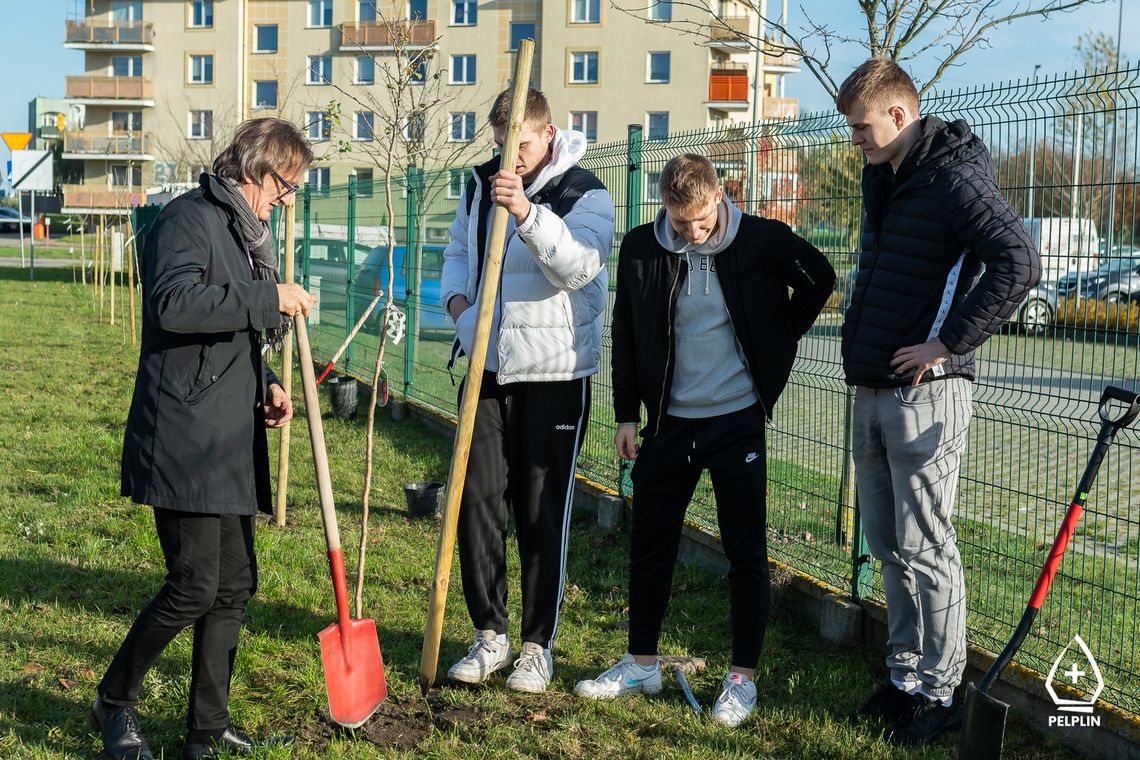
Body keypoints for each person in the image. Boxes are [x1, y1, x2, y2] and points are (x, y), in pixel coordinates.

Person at [574, 154, 835, 726]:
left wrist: (775, 336)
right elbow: (626, 332)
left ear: (719, 195)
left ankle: (742, 679)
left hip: (735, 420)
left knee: (745, 551)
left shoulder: (761, 239)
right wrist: (625, 414)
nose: (691, 232)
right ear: (663, 205)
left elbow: (822, 277)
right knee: (649, 543)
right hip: (668, 424)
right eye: (679, 220)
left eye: (700, 221)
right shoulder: (644, 246)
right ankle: (640, 662)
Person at [93, 118, 315, 760]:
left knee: (234, 585)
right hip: (185, 435)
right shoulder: (188, 219)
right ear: (254, 170)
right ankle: (114, 699)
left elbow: (231, 325)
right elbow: (176, 305)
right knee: (193, 585)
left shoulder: (245, 234)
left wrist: (266, 382)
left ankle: (206, 728)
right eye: (285, 183)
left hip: (228, 434)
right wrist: (266, 296)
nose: (287, 197)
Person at [836, 60, 1040, 745]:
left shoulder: (954, 173)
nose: (855, 140)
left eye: (862, 128)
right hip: (873, 385)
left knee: (926, 548)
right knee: (890, 546)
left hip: (928, 396)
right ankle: (903, 679)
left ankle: (941, 690)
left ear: (899, 115)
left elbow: (1018, 259)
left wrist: (947, 343)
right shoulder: (883, 175)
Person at [439, 87, 614, 693]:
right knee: (476, 500)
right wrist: (461, 310)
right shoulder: (479, 183)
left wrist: (527, 214)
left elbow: (579, 267)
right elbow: (458, 252)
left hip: (555, 372)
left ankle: (538, 646)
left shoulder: (585, 191)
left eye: (521, 145)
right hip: (487, 365)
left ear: (548, 133)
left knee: (541, 512)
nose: (508, 158)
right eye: (500, 146)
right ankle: (490, 634)